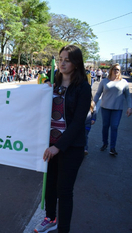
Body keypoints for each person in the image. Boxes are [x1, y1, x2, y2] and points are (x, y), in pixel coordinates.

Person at [34, 45, 91, 233]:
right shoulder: (52, 83)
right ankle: (50, 218)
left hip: (71, 147)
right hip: (49, 144)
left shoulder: (83, 87)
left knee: (64, 191)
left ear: (76, 63)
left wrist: (58, 147)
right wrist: (43, 93)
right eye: (61, 59)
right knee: (49, 185)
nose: (62, 63)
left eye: (67, 59)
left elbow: (77, 123)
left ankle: (63, 229)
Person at [93, 63, 132, 156]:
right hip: (105, 107)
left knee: (114, 127)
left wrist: (130, 107)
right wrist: (93, 103)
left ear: (120, 71)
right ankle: (105, 143)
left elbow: (128, 96)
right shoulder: (104, 81)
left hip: (117, 109)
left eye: (118, 69)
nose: (116, 71)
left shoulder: (124, 82)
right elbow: (98, 93)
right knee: (105, 126)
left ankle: (112, 147)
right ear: (111, 70)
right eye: (114, 69)